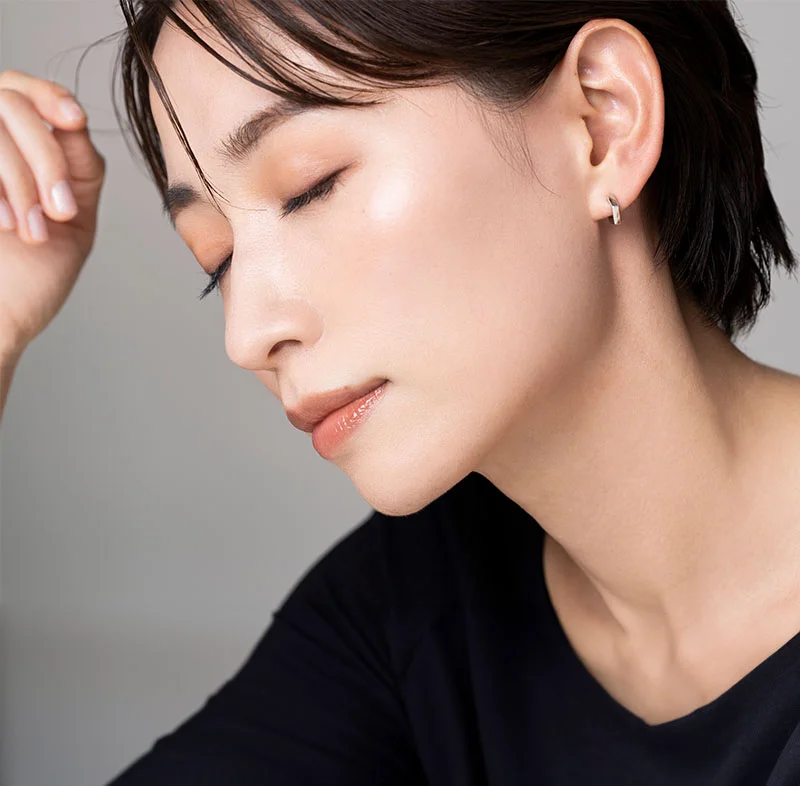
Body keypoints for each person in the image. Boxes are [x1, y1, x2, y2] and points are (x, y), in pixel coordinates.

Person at [2, 0, 800, 783]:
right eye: (216, 260)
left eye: (310, 185)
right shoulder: (414, 612)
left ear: (601, 121)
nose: (247, 335)